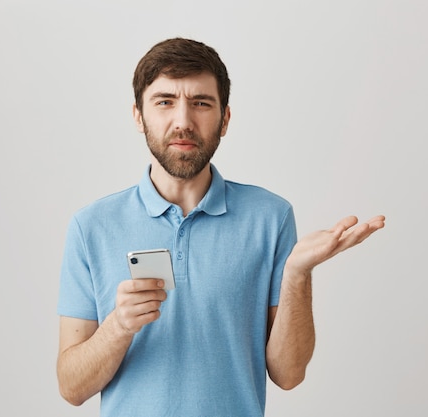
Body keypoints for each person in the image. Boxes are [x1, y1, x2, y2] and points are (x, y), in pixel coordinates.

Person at [56, 37, 385, 417]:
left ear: (225, 118)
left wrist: (298, 273)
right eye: (164, 102)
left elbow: (289, 374)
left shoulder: (271, 217)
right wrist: (118, 327)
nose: (182, 121)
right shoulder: (90, 226)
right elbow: (71, 387)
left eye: (201, 103)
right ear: (138, 116)